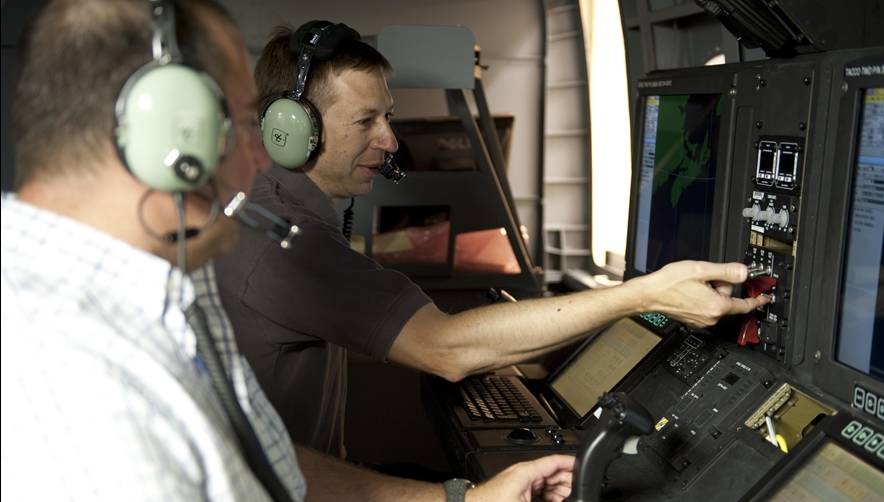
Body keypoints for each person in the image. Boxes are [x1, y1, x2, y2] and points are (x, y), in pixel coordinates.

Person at [0, 1, 575, 501]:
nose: (259, 158)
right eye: (237, 124)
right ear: (164, 142)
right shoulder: (67, 364)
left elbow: (263, 462)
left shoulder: (152, 299)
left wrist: (461, 499)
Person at [214, 20, 770, 455]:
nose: (389, 140)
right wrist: (643, 293)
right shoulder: (288, 244)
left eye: (389, 116)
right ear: (289, 130)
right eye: (365, 122)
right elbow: (445, 349)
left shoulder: (266, 209)